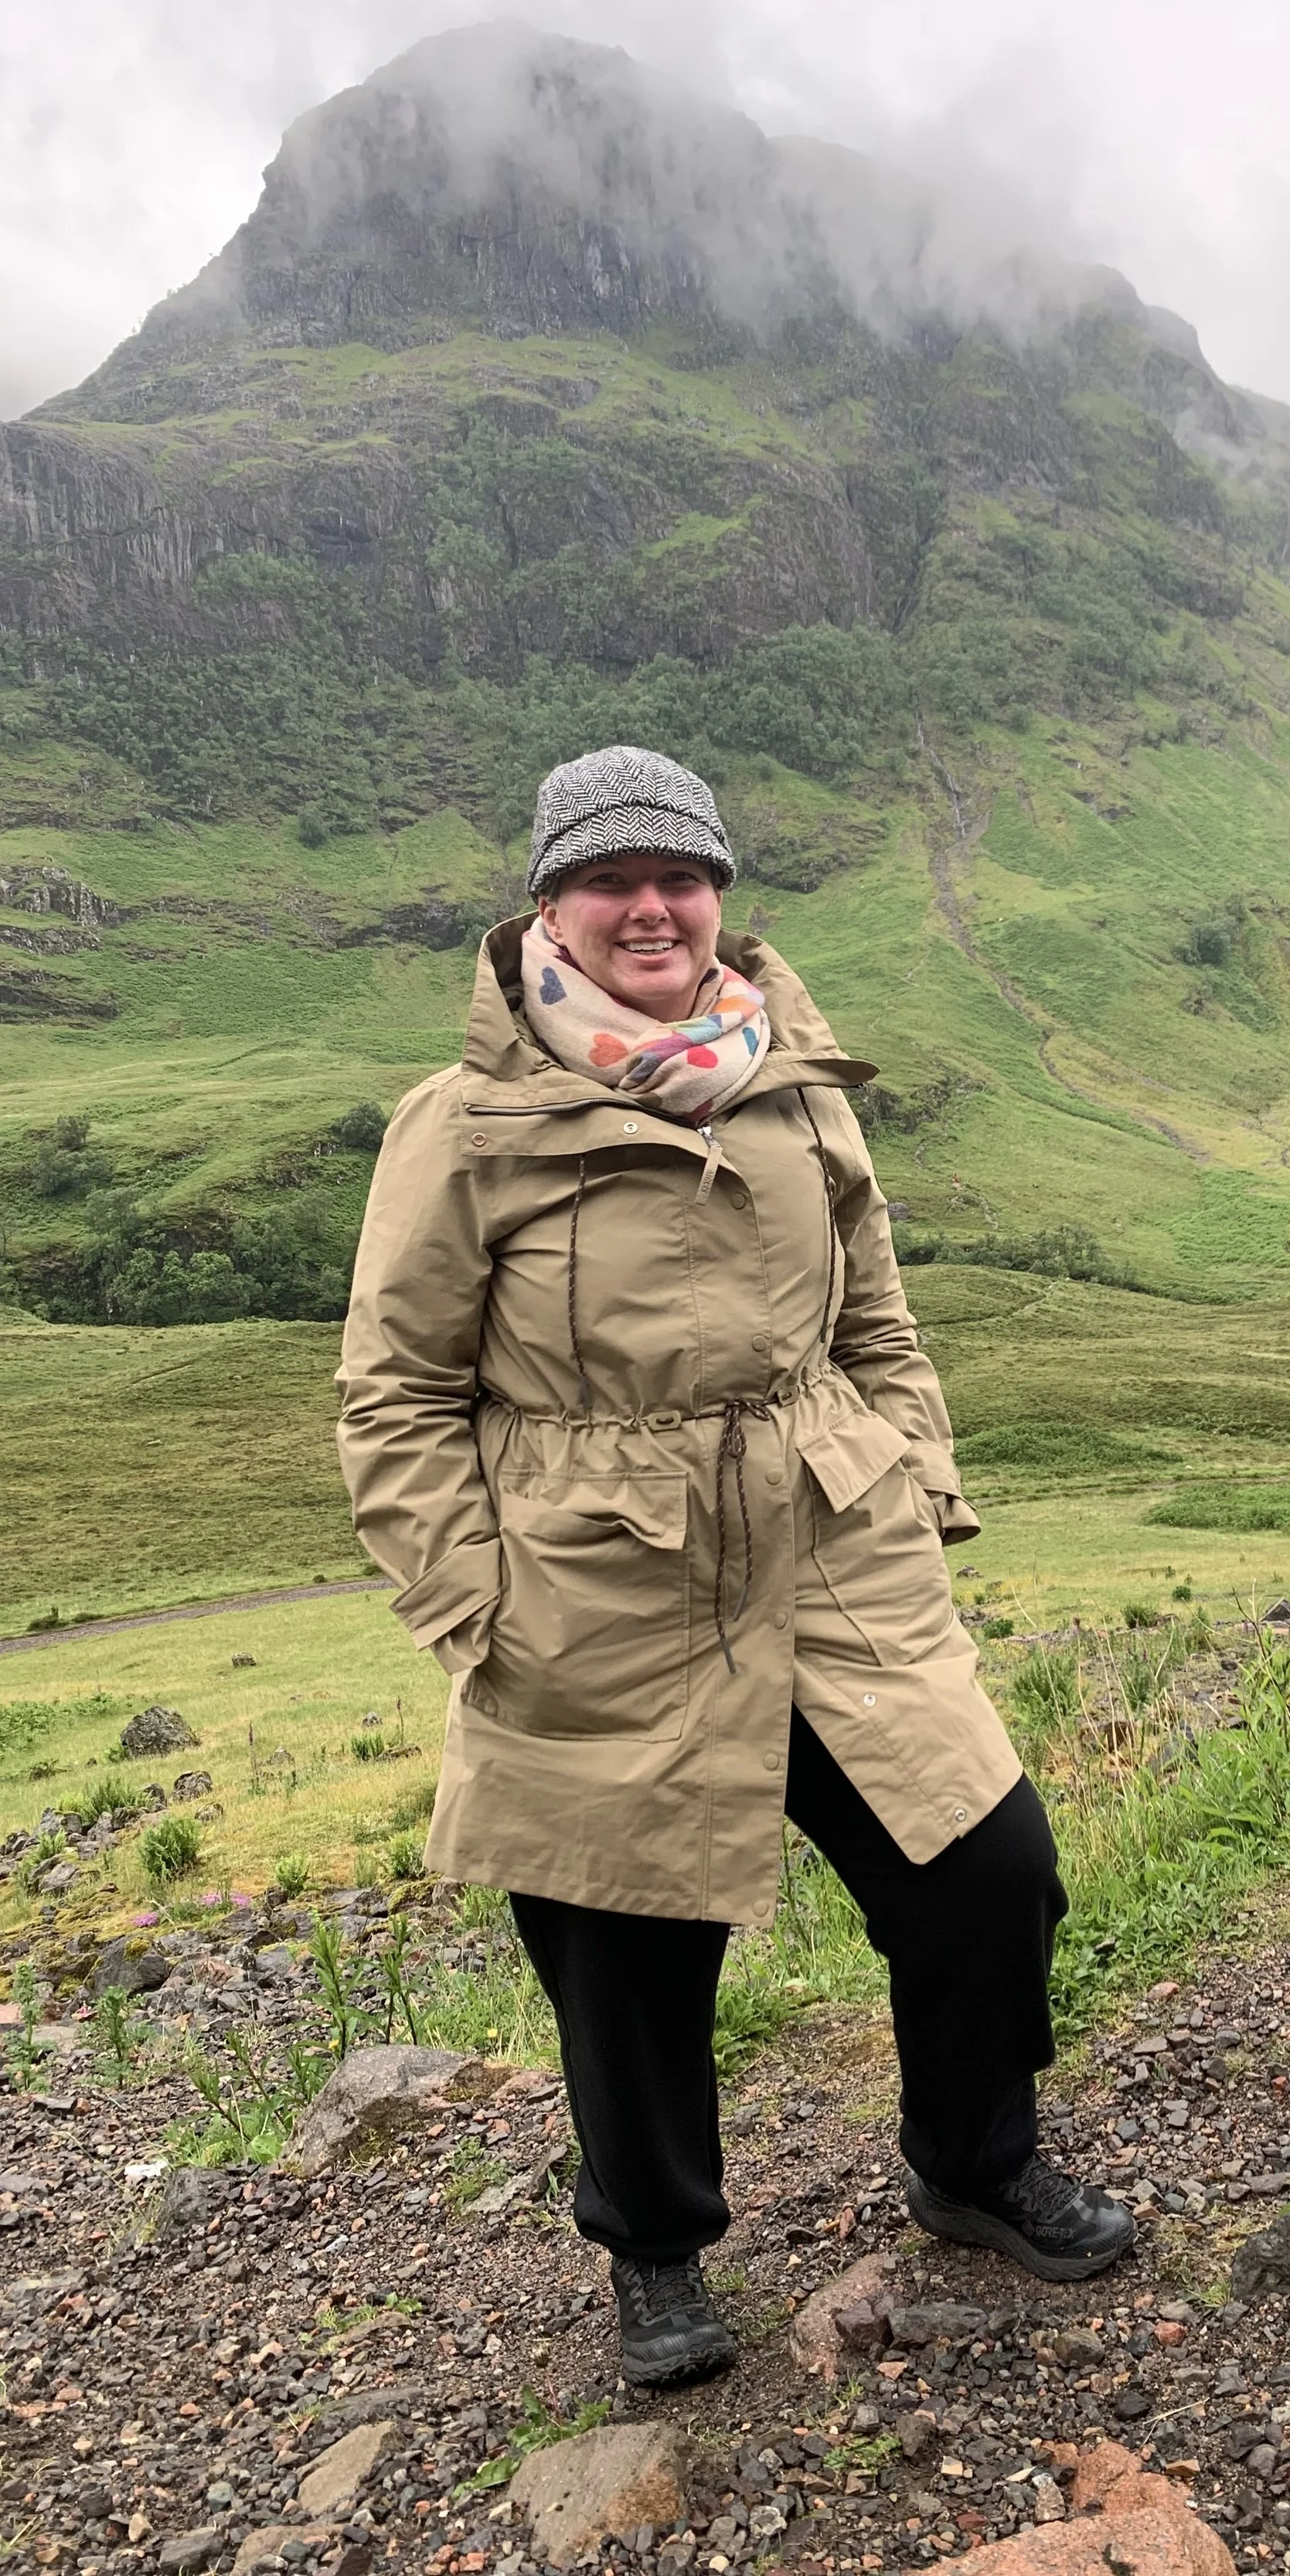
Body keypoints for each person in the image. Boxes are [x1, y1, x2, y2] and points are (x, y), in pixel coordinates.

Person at [335, 744, 1133, 2387]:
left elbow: (873, 1321)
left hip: (834, 1549)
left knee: (989, 1875)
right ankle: (656, 2252)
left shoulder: (796, 1083)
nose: (649, 905)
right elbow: (396, 1390)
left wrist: (910, 1480)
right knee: (620, 1949)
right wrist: (469, 1602)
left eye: (679, 875)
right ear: (547, 902)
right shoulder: (463, 1123)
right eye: (609, 879)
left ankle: (971, 2167)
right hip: (590, 1583)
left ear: (716, 896)